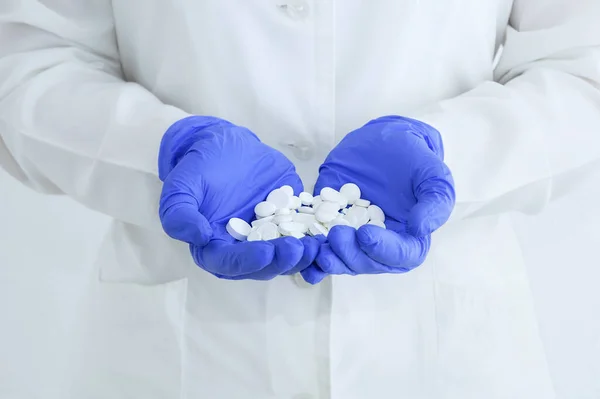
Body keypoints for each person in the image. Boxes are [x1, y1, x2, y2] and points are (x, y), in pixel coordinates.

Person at [1, 0, 599, 397]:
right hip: (183, 359)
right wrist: (161, 149)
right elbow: (27, 63)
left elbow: (582, 69)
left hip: (447, 354)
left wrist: (451, 155)